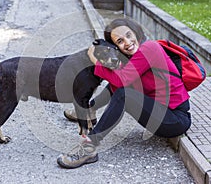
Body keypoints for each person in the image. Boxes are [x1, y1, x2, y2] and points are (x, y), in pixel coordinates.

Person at [57, 18, 191, 169]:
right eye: (120, 41)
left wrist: (95, 60)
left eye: (129, 35)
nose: (127, 42)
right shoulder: (131, 58)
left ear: (136, 31)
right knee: (118, 84)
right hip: (158, 114)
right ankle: (89, 110)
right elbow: (117, 82)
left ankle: (89, 147)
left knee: (124, 92)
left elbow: (123, 82)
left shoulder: (150, 48)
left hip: (175, 119)